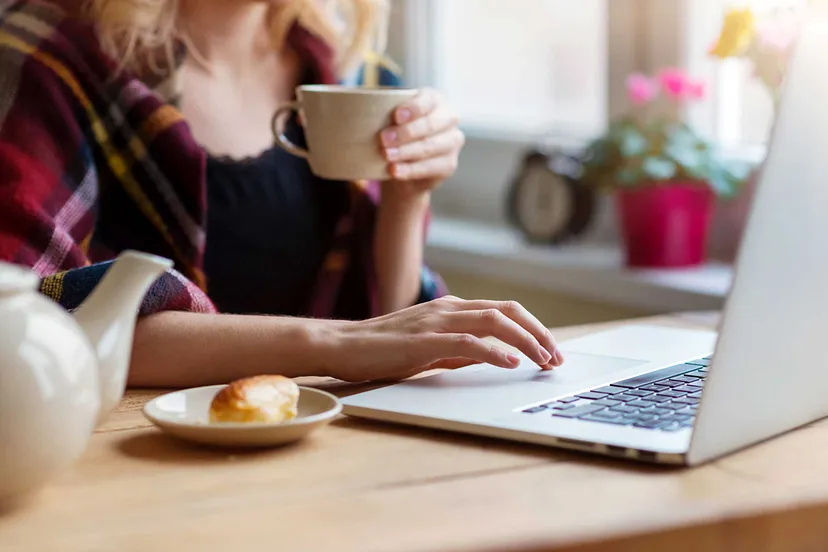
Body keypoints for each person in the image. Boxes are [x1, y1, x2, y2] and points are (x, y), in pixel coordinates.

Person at [0, 0, 564, 388]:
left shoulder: (345, 67)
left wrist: (407, 197)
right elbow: (24, 318)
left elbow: (387, 335)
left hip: (317, 449)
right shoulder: (48, 55)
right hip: (136, 462)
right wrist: (330, 345)